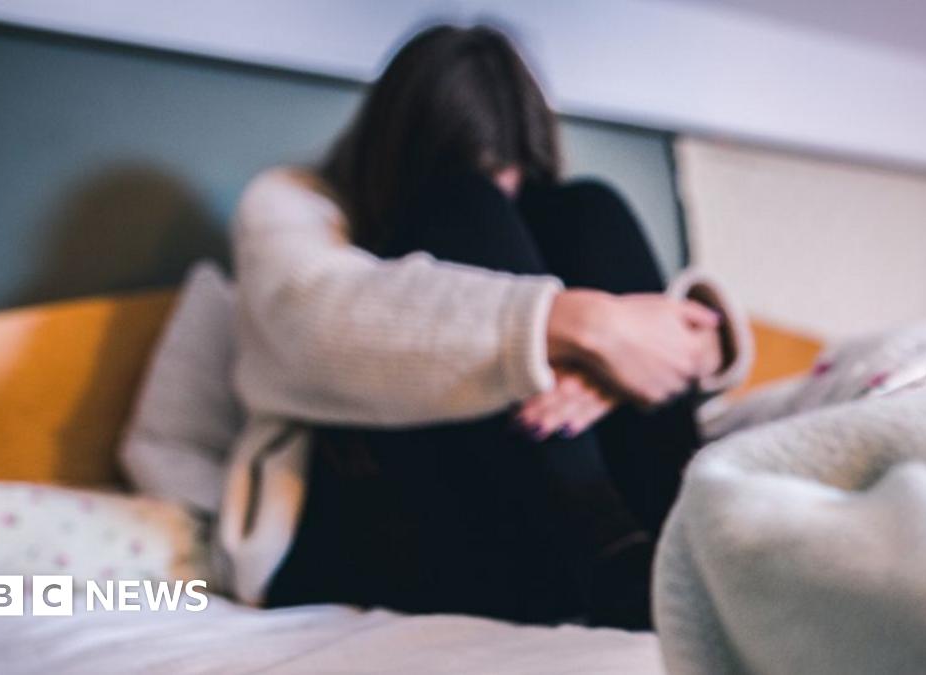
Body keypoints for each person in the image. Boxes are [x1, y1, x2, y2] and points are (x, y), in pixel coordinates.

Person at [217, 24, 752, 630]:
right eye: (488, 170)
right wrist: (584, 327)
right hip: (368, 521)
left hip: (519, 529)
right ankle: (617, 562)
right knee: (459, 209)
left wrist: (613, 366)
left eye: (513, 173)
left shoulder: (545, 217)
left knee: (588, 209)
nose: (505, 194)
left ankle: (685, 548)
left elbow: (665, 333)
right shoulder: (291, 201)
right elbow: (311, 323)